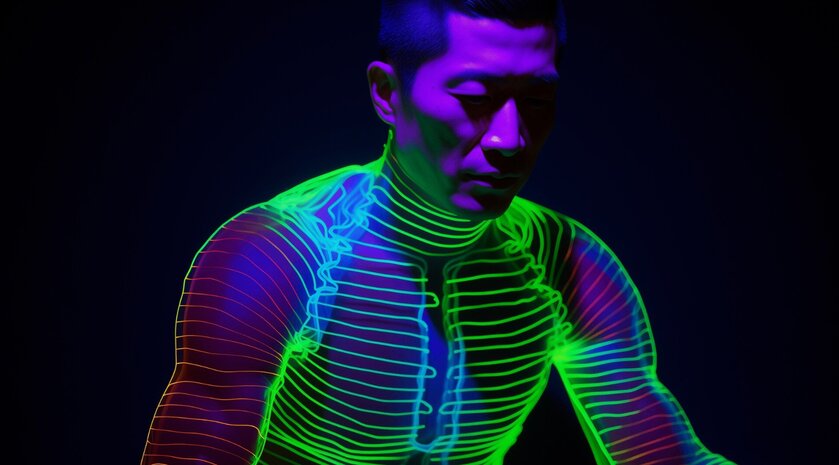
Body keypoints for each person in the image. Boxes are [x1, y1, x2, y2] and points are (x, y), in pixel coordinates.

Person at [142, 1, 736, 464]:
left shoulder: (570, 265)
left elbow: (665, 455)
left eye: (536, 100)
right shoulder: (278, 257)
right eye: (475, 97)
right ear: (387, 94)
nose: (510, 139)